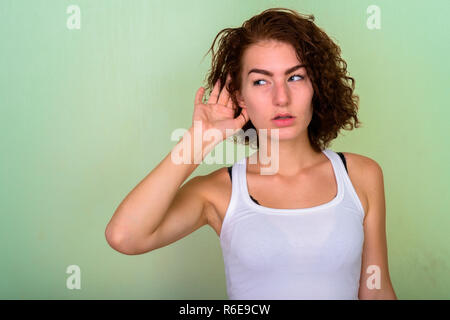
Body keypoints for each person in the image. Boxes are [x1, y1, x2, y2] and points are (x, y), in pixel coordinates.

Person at [105, 7, 397, 300]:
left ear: (316, 86)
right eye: (261, 81)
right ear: (239, 95)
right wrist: (199, 141)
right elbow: (125, 237)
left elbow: (376, 290)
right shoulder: (219, 192)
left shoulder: (361, 175)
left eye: (295, 78)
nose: (281, 98)